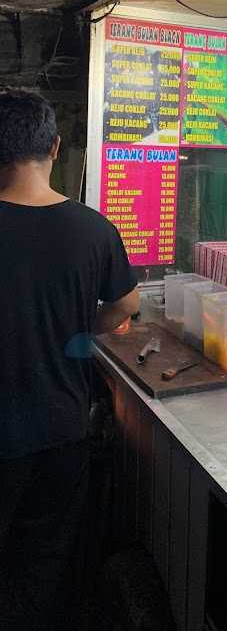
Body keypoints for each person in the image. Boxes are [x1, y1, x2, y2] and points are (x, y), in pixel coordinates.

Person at [0, 88, 139, 630]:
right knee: (43, 562)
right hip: (59, 428)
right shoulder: (93, 228)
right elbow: (126, 304)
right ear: (56, 147)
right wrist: (82, 328)